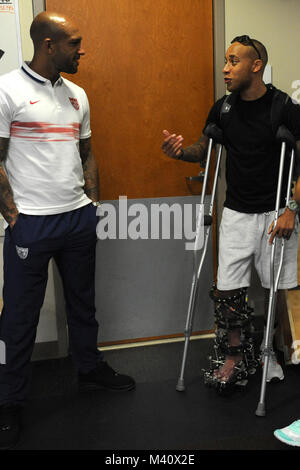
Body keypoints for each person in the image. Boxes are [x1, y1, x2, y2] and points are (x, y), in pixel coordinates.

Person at [0, 11, 135, 450]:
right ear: (48, 45)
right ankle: (8, 401)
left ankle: (89, 369)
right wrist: (10, 214)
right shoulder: (6, 90)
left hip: (77, 218)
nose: (82, 50)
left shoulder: (78, 95)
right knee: (19, 317)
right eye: (74, 43)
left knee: (83, 305)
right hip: (32, 223)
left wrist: (92, 204)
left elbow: (88, 151)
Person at [162, 36, 300, 388]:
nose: (225, 68)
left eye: (234, 61)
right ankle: (233, 357)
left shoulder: (284, 107)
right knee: (228, 291)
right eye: (226, 60)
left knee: (276, 289)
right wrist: (181, 153)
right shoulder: (222, 108)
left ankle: (269, 351)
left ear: (256, 66)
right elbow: (204, 149)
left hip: (276, 214)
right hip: (236, 213)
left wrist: (292, 209)